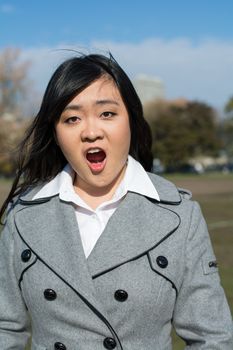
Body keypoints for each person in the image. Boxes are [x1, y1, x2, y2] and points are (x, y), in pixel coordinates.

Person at [0, 53, 232, 350]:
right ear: (56, 134)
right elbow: (5, 328)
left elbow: (212, 338)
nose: (91, 132)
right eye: (72, 118)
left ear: (131, 121)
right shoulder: (23, 216)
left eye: (107, 114)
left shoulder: (180, 216)